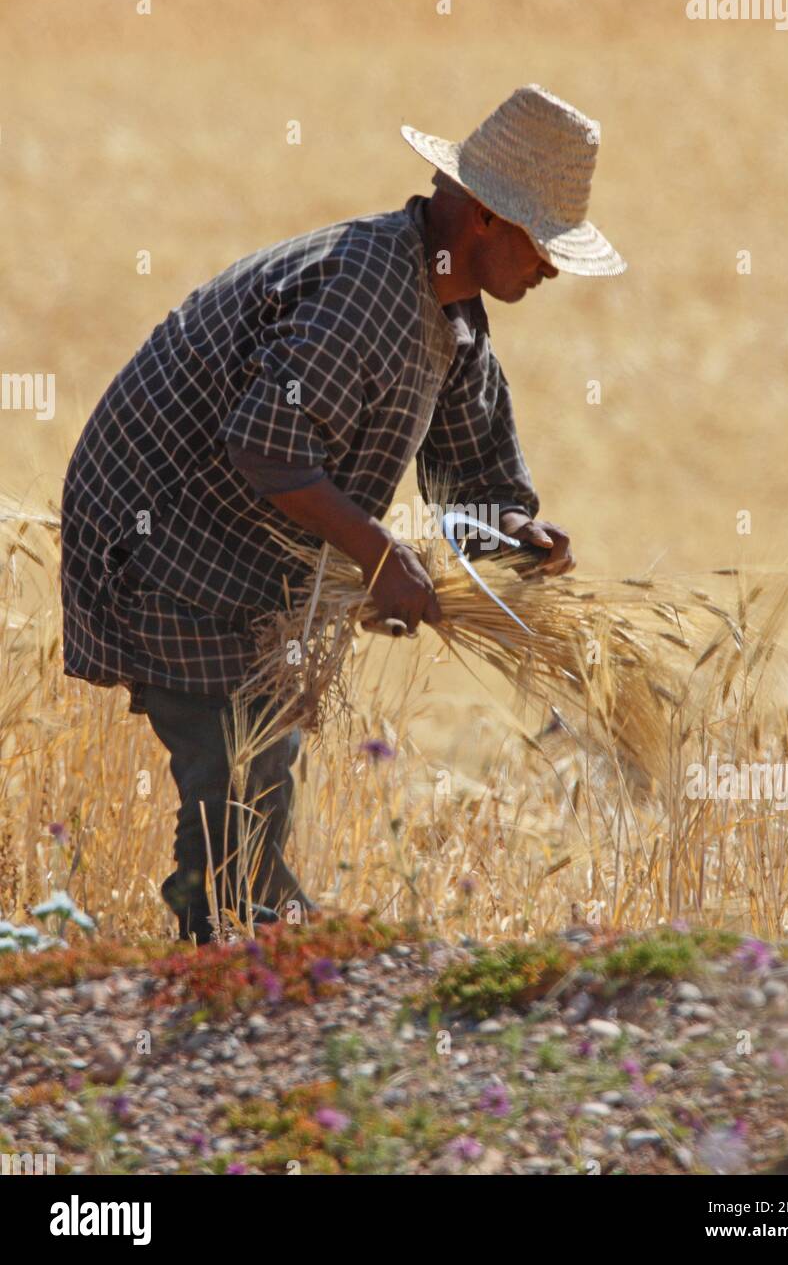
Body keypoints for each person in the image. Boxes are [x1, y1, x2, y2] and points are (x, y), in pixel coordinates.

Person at [60, 83, 626, 943]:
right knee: (234, 770)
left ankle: (254, 951)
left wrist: (510, 537)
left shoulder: (453, 313)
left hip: (243, 550)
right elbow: (266, 446)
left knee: (261, 764)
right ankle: (230, 964)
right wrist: (378, 556)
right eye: (543, 244)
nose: (549, 267)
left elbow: (474, 472)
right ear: (481, 217)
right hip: (163, 533)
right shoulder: (364, 295)